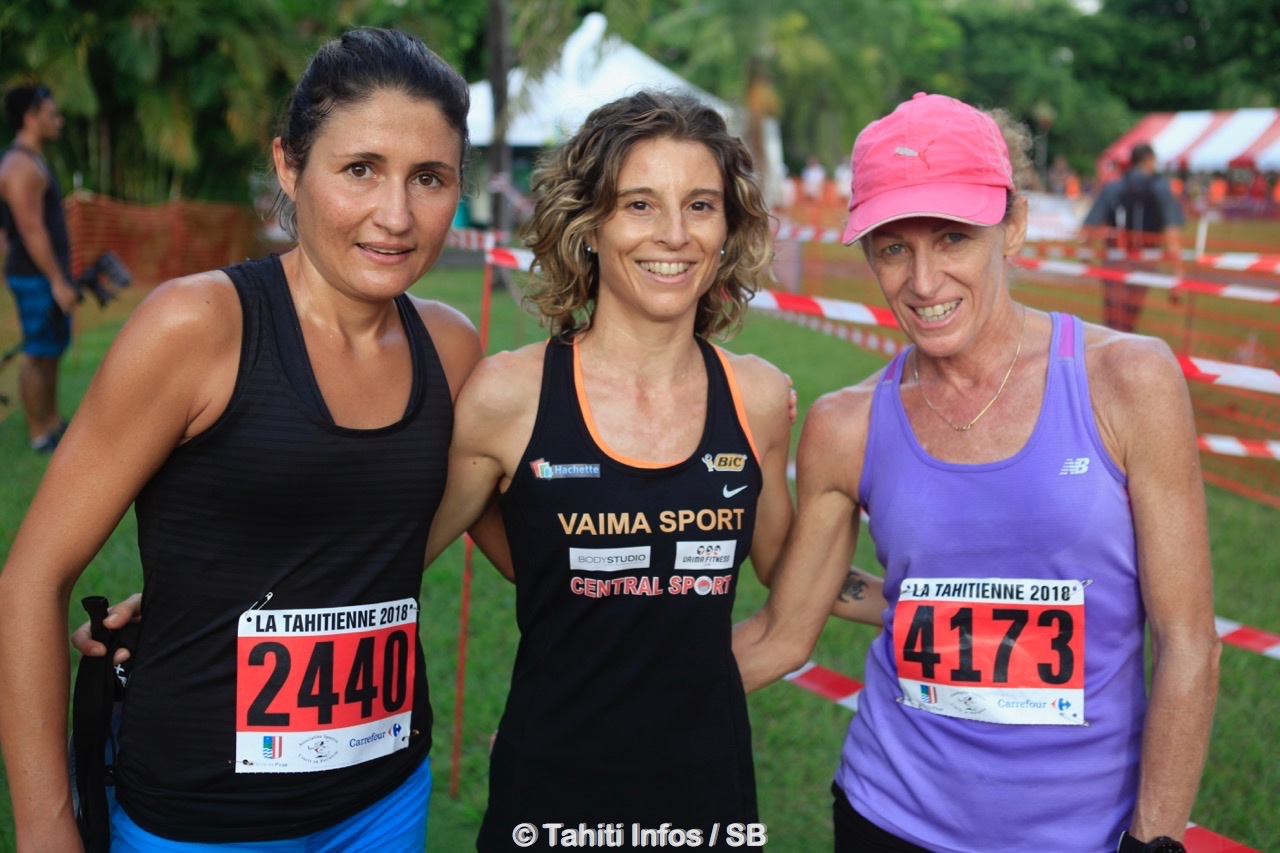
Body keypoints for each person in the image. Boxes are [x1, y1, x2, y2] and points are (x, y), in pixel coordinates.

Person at [0, 27, 483, 851]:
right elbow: (32, 580)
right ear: (290, 168)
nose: (395, 215)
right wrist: (49, 832)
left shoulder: (452, 345)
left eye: (428, 178)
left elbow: (451, 529)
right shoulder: (196, 327)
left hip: (386, 795)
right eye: (360, 168)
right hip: (198, 819)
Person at [734, 93, 1219, 852]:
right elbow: (779, 633)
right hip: (888, 814)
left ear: (1013, 225)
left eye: (953, 237)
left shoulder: (1127, 382)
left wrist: (1152, 840)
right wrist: (597, 716)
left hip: (1084, 833)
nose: (924, 282)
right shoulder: (845, 423)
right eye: (894, 247)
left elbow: (1188, 639)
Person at [417, 89, 796, 849]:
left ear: (728, 227)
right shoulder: (510, 395)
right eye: (640, 205)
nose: (675, 234)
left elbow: (795, 575)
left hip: (707, 799)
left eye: (700, 205)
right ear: (590, 224)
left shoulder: (756, 395)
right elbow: (389, 553)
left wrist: (920, 602)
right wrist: (188, 607)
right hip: (551, 795)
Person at [0, 84, 78, 451]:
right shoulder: (20, 166)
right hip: (36, 277)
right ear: (31, 117)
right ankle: (38, 433)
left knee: (51, 348)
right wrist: (56, 281)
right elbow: (30, 229)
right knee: (37, 352)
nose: (58, 121)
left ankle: (50, 421)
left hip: (42, 274)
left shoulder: (32, 159)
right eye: (52, 114)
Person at [1082, 142, 1185, 332]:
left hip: (1114, 259)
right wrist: (1177, 276)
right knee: (1131, 316)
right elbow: (1172, 234)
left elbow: (1090, 225)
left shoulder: (1113, 187)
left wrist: (1086, 255)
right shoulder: (1161, 188)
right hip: (1145, 260)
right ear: (1148, 160)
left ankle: (1112, 352)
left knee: (1113, 317)